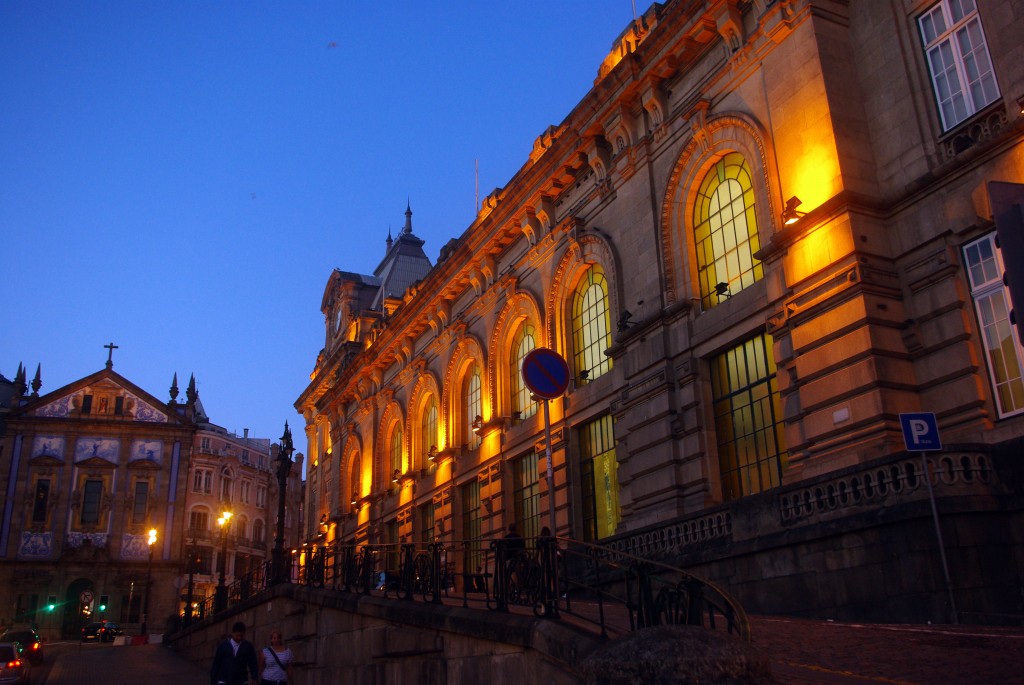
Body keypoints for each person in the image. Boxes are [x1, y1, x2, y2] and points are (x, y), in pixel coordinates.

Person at [211, 621, 259, 685]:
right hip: (225, 681)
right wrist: (213, 681)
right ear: (232, 633)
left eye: (241, 636)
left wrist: (255, 678)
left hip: (241, 681)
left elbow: (253, 663)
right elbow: (216, 664)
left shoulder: (248, 647)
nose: (239, 638)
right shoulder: (223, 646)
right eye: (237, 635)